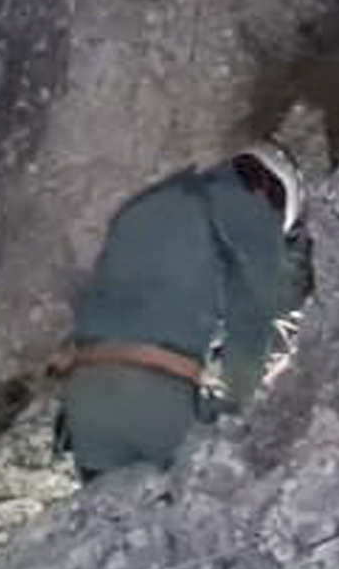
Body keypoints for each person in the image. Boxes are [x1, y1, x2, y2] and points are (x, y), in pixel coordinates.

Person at [55, 144, 304, 479]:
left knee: (116, 520)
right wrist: (242, 407)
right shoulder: (249, 215)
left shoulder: (147, 205)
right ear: (270, 194)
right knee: (235, 489)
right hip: (153, 396)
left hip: (84, 401)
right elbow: (249, 326)